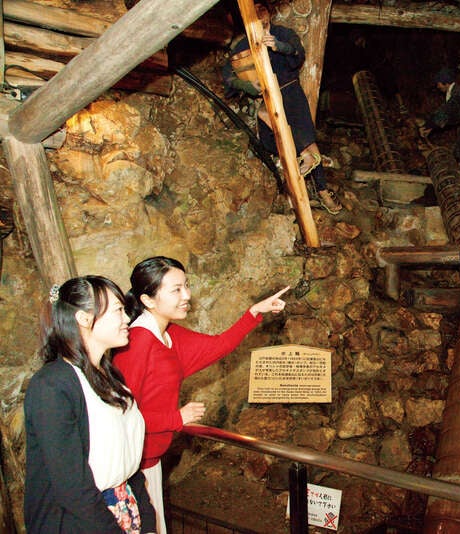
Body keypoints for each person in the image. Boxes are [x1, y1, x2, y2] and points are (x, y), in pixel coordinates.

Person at [114, 256, 290, 533]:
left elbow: (218, 346)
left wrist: (254, 312)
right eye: (176, 290)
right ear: (148, 300)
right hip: (133, 467)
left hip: (151, 459)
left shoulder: (167, 334)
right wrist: (177, 418)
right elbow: (122, 416)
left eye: (186, 286)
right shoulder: (138, 343)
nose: (187, 296)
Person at [25, 276, 156, 533]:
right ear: (84, 318)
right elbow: (72, 487)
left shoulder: (110, 376)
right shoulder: (52, 386)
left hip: (124, 509)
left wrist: (148, 521)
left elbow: (128, 459)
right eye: (118, 310)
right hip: (83, 523)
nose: (126, 318)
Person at [222, 2, 342, 214]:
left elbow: (298, 53)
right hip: (269, 97)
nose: (260, 19)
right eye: (255, 16)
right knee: (273, 134)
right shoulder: (244, 44)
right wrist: (247, 85)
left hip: (291, 93)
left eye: (262, 13)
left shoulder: (283, 33)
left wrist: (278, 46)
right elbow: (228, 75)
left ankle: (322, 191)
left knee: (306, 138)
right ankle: (300, 184)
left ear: (268, 14)